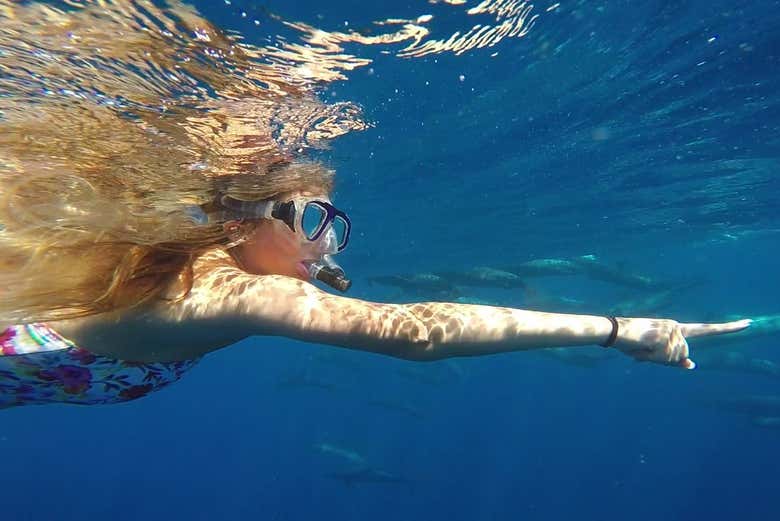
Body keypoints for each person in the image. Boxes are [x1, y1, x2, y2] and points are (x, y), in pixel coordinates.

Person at [0, 1, 750, 409]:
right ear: (239, 220)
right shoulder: (233, 293)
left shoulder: (167, 256)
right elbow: (416, 332)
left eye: (334, 224)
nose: (327, 246)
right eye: (312, 220)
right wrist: (617, 328)